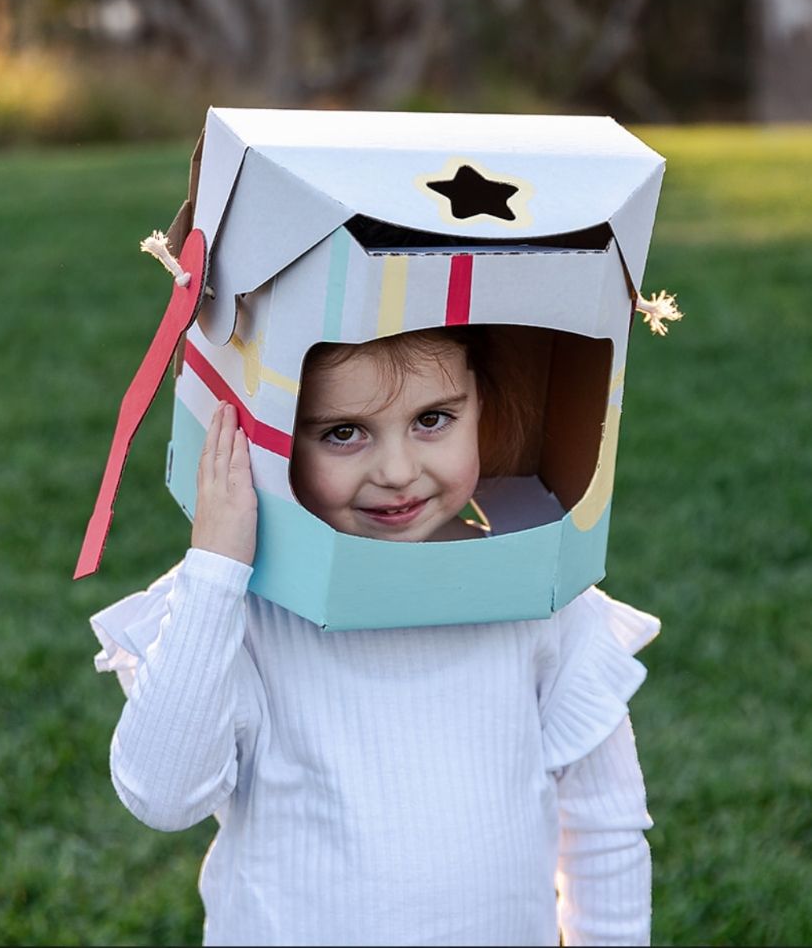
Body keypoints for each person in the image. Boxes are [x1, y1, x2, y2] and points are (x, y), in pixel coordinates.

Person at [91, 326, 659, 947]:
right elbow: (164, 796)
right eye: (344, 432)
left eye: (433, 419)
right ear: (268, 438)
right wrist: (215, 571)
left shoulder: (541, 600)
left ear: (482, 408)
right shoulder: (237, 613)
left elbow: (605, 829)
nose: (396, 471)